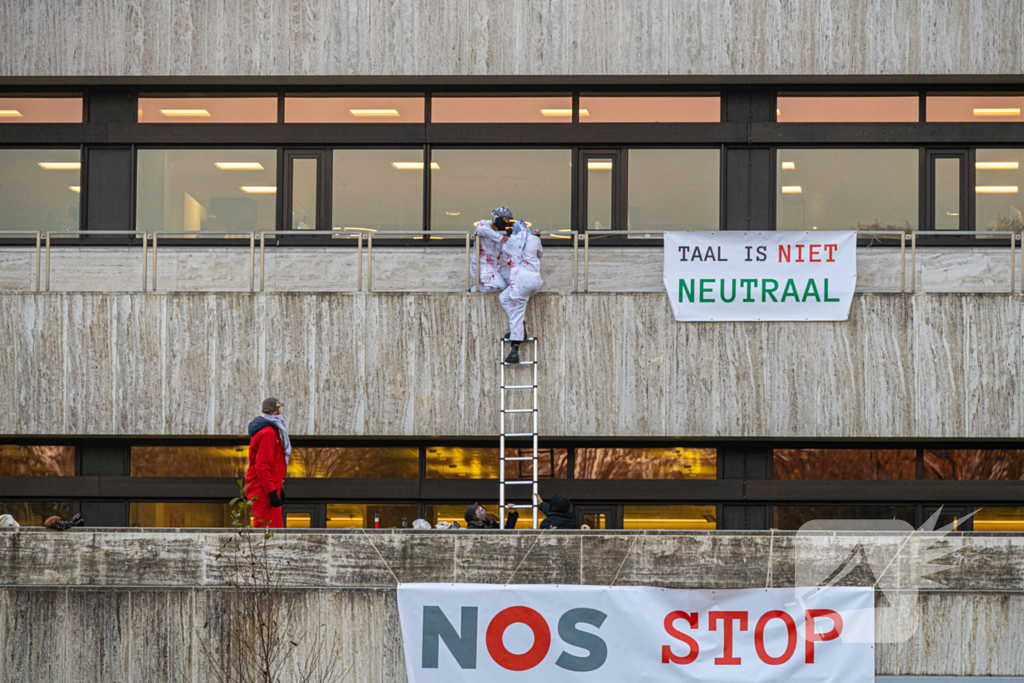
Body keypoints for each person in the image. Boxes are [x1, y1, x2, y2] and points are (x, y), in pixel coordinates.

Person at [499, 220, 544, 364]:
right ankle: (519, 329)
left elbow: (505, 255)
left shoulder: (512, 240)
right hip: (535, 280)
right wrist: (538, 236)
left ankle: (514, 350)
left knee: (517, 314)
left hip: (520, 281)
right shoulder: (535, 239)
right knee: (504, 298)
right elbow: (540, 254)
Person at [245, 397, 291, 529]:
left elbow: (270, 465)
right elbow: (262, 466)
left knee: (274, 528)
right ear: (276, 411)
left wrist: (278, 488)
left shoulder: (268, 431)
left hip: (267, 487)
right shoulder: (268, 433)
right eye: (279, 409)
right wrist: (271, 491)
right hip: (263, 489)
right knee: (267, 530)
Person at [470, 207, 514, 293]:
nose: (506, 222)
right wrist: (501, 237)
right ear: (496, 218)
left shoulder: (502, 232)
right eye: (505, 219)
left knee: (516, 279)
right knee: (499, 286)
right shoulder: (484, 224)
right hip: (482, 266)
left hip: (495, 265)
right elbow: (480, 230)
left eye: (508, 220)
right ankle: (475, 289)